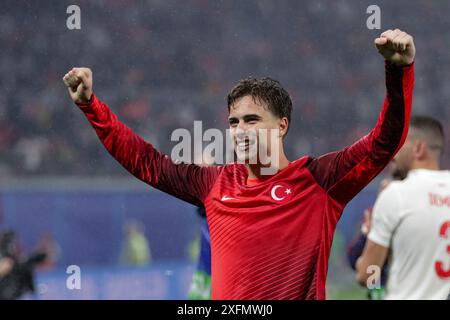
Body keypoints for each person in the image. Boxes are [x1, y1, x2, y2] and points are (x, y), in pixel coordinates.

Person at [63, 29, 415, 299]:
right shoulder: (215, 184)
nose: (239, 131)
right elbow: (145, 162)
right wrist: (91, 106)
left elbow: (385, 141)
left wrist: (397, 72)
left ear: (282, 126)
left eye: (251, 120)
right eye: (233, 122)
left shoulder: (319, 180)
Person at [356, 116, 450, 300]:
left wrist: (373, 265)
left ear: (418, 148)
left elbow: (368, 276)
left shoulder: (396, 195)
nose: (393, 154)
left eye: (400, 145)